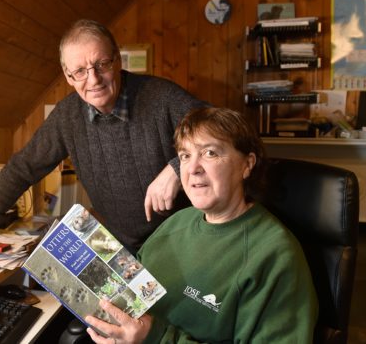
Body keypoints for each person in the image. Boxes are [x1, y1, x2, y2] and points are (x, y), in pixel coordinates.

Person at [0, 19, 207, 253]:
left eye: (102, 64)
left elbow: (225, 131)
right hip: (122, 249)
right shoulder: (68, 116)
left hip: (183, 243)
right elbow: (22, 168)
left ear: (117, 60)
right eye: (80, 72)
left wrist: (178, 166)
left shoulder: (161, 97)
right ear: (68, 76)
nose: (94, 79)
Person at [85, 107, 318, 343]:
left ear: (247, 165)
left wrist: (155, 337)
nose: (192, 168)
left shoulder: (276, 255)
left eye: (210, 153)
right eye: (185, 155)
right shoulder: (177, 222)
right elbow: (132, 296)